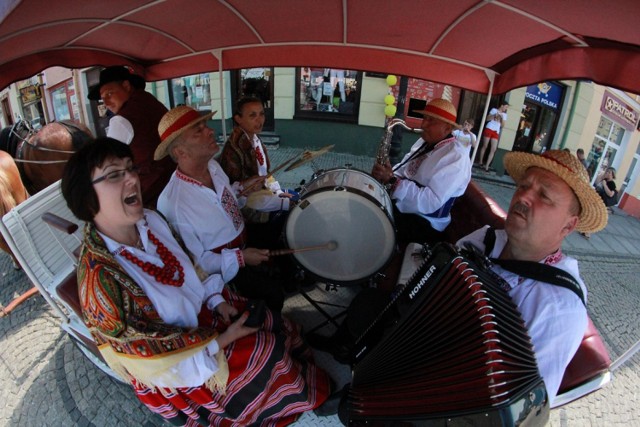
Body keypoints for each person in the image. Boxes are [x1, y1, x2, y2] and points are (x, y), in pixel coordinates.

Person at [60, 138, 334, 425]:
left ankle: (305, 375)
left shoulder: (151, 221)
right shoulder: (100, 281)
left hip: (203, 314)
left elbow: (189, 266)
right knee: (264, 352)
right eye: (115, 174)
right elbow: (154, 363)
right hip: (180, 361)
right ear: (87, 199)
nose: (131, 178)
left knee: (272, 319)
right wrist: (223, 340)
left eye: (131, 168)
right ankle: (304, 399)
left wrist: (216, 301)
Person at [310, 150, 608, 408]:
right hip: (423, 345)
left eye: (544, 195)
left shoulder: (559, 307)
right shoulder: (487, 239)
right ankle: (361, 384)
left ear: (569, 225)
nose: (525, 196)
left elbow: (519, 404)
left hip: (448, 396)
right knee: (370, 306)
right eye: (524, 185)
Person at [154, 106, 286, 311]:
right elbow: (196, 263)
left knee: (284, 235)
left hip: (244, 242)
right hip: (224, 272)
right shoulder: (173, 202)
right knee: (273, 293)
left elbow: (227, 203)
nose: (210, 131)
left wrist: (242, 190)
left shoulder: (213, 167)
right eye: (199, 131)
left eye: (205, 126)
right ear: (180, 152)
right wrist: (241, 258)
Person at [371, 98, 472, 244]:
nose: (423, 124)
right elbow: (405, 170)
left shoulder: (456, 157)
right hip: (406, 208)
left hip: (426, 222)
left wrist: (392, 181)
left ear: (447, 128)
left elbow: (430, 202)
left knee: (372, 221)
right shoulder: (424, 142)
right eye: (424, 118)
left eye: (431, 121)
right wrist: (388, 173)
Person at [88, 66, 174, 207]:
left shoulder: (121, 120)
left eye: (109, 94)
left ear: (126, 86)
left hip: (153, 192)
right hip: (175, 177)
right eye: (103, 99)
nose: (107, 104)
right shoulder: (150, 100)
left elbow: (107, 164)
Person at [218, 97, 297, 249]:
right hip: (248, 205)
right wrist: (280, 200)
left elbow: (266, 174)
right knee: (295, 203)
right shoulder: (233, 149)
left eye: (261, 114)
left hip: (263, 195)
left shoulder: (254, 138)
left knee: (295, 196)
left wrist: (278, 191)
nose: (259, 120)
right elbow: (238, 196)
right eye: (252, 115)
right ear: (238, 119)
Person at [478, 102, 509, 171]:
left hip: (496, 131)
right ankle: (480, 162)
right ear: (502, 105)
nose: (506, 108)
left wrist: (501, 118)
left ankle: (487, 166)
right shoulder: (494, 110)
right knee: (485, 145)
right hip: (489, 128)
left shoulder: (504, 115)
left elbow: (503, 126)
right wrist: (494, 115)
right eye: (506, 107)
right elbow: (487, 119)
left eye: (507, 107)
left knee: (493, 149)